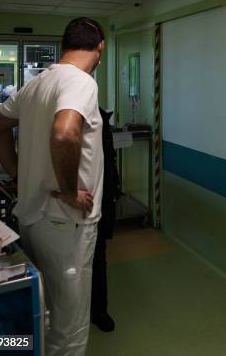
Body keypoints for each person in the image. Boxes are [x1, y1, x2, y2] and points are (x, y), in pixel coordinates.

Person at [0, 17, 105, 356]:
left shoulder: (38, 83)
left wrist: (19, 175)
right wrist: (68, 191)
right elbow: (64, 132)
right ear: (100, 47)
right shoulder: (81, 81)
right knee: (70, 327)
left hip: (32, 217)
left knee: (44, 315)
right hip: (64, 220)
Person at [91, 108, 120, 332]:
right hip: (76, 200)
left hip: (100, 198)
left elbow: (109, 157)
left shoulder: (99, 116)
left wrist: (114, 188)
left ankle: (99, 310)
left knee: (98, 257)